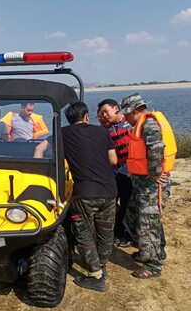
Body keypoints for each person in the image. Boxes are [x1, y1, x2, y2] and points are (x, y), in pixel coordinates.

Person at [34, 102, 117, 292]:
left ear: (68, 119)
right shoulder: (103, 132)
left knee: (83, 233)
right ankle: (101, 266)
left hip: (85, 192)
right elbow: (113, 160)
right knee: (106, 231)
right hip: (109, 190)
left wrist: (40, 173)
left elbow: (39, 148)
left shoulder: (62, 133)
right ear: (87, 116)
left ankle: (95, 276)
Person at [120, 93, 177, 279]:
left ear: (135, 111)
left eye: (127, 114)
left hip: (150, 184)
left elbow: (156, 148)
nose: (125, 118)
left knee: (147, 224)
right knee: (132, 217)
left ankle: (152, 265)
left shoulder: (149, 124)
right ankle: (151, 250)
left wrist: (155, 173)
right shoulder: (142, 123)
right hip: (142, 184)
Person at [97, 99, 133, 247]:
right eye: (101, 114)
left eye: (106, 111)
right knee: (111, 203)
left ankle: (126, 234)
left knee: (127, 204)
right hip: (115, 172)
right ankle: (116, 233)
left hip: (130, 172)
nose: (104, 115)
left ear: (116, 108)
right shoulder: (106, 129)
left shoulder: (130, 123)